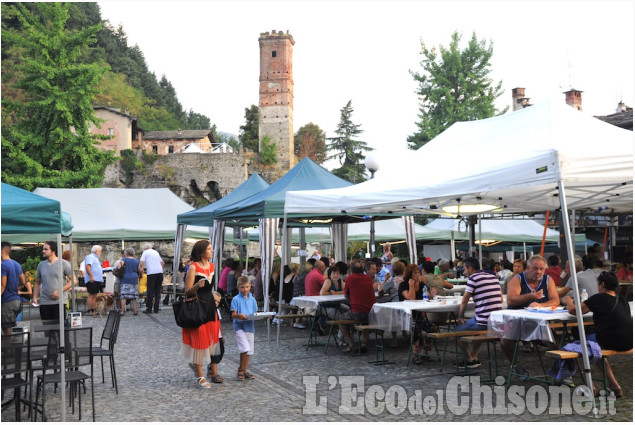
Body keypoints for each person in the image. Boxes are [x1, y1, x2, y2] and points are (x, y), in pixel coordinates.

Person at [562, 271, 632, 398]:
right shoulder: (622, 299)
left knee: (580, 348)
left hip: (611, 340)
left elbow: (573, 311)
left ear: (603, 284)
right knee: (594, 348)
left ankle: (590, 387)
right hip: (628, 340)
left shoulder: (599, 298)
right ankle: (614, 385)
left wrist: (568, 300)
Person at [501, 255, 559, 371]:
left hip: (538, 321)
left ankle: (562, 369)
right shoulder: (518, 279)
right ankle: (515, 364)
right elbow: (511, 300)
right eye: (535, 268)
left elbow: (555, 300)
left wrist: (540, 305)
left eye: (541, 269)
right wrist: (531, 296)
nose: (538, 272)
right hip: (516, 320)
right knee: (505, 341)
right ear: (528, 268)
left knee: (554, 341)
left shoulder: (548, 280)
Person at [181, 240, 221, 389]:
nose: (212, 251)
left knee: (208, 341)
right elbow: (187, 291)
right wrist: (197, 286)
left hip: (209, 306)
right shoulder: (193, 267)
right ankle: (200, 375)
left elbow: (210, 288)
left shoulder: (212, 266)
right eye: (209, 249)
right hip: (198, 307)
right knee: (198, 341)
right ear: (201, 252)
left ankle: (196, 365)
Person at [455, 257, 504, 368]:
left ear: (470, 268)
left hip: (483, 321)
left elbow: (464, 300)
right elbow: (501, 299)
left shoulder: (473, 278)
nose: (464, 272)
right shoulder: (493, 277)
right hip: (496, 321)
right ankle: (474, 357)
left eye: (464, 269)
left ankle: (469, 359)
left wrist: (460, 317)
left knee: (457, 332)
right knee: (477, 329)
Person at [338, 261, 376, 353]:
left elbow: (346, 295)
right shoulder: (368, 278)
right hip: (371, 311)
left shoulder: (350, 278)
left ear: (351, 270)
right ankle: (364, 343)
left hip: (357, 312)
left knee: (340, 320)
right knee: (365, 321)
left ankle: (351, 344)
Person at [33, 241, 73, 321]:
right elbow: (37, 283)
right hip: (44, 302)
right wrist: (35, 297)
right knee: (47, 329)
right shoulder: (41, 265)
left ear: (53, 251)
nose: (43, 251)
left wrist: (59, 291)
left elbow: (73, 281)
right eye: (43, 249)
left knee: (59, 329)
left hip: (59, 302)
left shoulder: (64, 263)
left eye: (46, 249)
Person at [231, 276, 258, 381]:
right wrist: (239, 316)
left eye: (247, 287)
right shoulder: (235, 299)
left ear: (250, 286)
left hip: (250, 327)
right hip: (239, 327)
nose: (245, 289)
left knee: (249, 351)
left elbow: (255, 313)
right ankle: (241, 370)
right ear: (238, 287)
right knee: (244, 349)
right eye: (242, 287)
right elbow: (233, 315)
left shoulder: (253, 299)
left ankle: (245, 370)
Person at [1, 242, 25, 334]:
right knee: (10, 329)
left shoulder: (3, 265)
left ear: (2, 251)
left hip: (7, 302)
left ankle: (10, 349)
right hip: (16, 301)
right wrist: (15, 286)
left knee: (7, 331)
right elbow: (23, 281)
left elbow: (2, 285)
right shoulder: (17, 264)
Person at [139, 243, 164, 314]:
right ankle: (156, 308)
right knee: (157, 291)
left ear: (145, 248)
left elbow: (141, 263)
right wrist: (159, 269)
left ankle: (149, 309)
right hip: (160, 273)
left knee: (150, 291)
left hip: (151, 273)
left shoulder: (145, 252)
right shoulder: (156, 252)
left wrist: (142, 269)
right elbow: (162, 263)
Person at [206, 291, 224, 384]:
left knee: (221, 352)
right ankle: (215, 374)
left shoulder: (217, 311)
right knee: (214, 355)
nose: (216, 303)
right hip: (211, 337)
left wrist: (222, 335)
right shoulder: (207, 311)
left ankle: (211, 367)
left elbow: (219, 323)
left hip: (218, 335)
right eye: (214, 301)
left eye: (217, 302)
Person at [117, 247, 141, 316]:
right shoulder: (136, 261)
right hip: (134, 278)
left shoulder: (124, 259)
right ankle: (135, 311)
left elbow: (119, 267)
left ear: (126, 253)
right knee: (134, 297)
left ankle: (122, 311)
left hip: (125, 278)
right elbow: (140, 270)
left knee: (124, 296)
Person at [83, 245, 104, 314]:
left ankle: (93, 309)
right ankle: (90, 310)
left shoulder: (95, 258)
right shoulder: (90, 257)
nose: (100, 252)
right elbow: (88, 266)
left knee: (94, 294)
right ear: (96, 251)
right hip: (92, 279)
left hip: (96, 279)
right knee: (91, 295)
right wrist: (91, 276)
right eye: (100, 251)